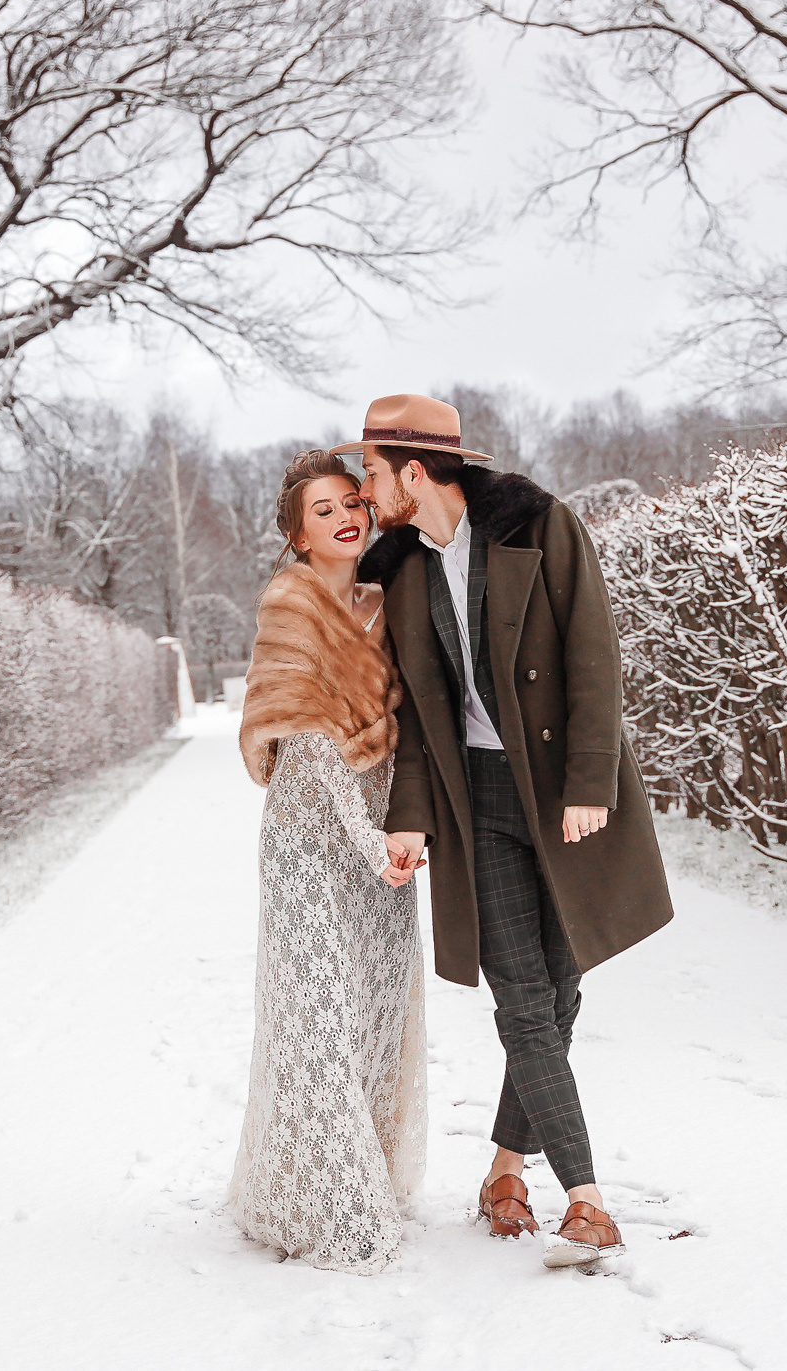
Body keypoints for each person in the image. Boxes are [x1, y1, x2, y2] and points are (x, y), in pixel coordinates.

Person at [340, 394, 673, 1269]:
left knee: (561, 995)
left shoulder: (539, 526)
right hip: (475, 801)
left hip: (561, 791)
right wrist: (408, 814)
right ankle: (589, 1200)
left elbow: (594, 651)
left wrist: (590, 777)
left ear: (414, 472)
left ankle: (500, 1171)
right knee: (522, 999)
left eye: (372, 474)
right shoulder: (405, 567)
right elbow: (419, 714)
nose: (366, 493)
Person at [227, 450, 428, 1273]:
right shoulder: (291, 598)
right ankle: (340, 1215)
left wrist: (404, 830)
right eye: (323, 510)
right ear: (296, 534)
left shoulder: (391, 601)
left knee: (375, 1021)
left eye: (352, 499)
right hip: (315, 838)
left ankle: (362, 1180)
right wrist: (361, 836)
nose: (346, 515)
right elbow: (305, 736)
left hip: (385, 839)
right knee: (315, 1023)